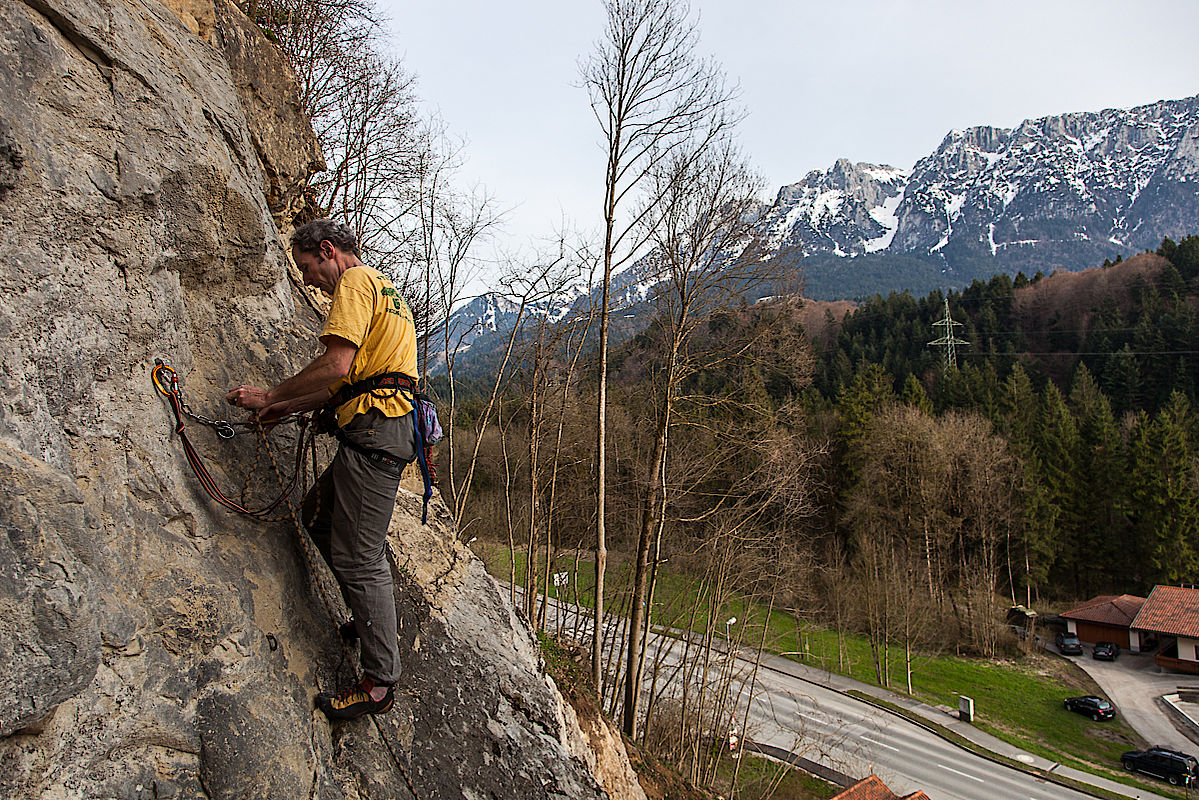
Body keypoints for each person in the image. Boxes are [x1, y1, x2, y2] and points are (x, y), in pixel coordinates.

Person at [226, 219, 417, 720]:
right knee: (317, 516)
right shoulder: (384, 288)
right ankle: (368, 614)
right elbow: (349, 381)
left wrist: (271, 393)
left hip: (377, 434)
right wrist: (286, 409)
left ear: (328, 251)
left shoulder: (354, 283)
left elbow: (335, 366)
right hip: (381, 429)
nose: (309, 280)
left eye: (309, 268)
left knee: (358, 556)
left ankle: (380, 682)